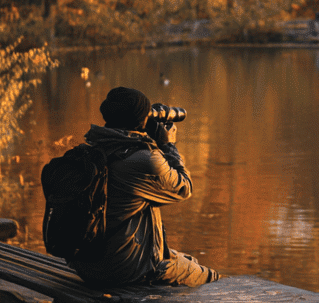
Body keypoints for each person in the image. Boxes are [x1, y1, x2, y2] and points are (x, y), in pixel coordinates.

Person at [72, 86, 219, 288]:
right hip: (124, 269)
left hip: (86, 264)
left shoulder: (91, 150)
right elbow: (184, 188)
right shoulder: (142, 160)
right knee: (211, 278)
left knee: (189, 261)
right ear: (141, 120)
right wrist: (168, 145)